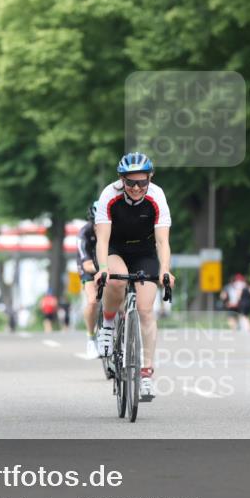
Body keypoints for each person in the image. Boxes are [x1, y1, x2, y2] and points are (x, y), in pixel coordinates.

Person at [94, 152, 173, 401]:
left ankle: (146, 373)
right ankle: (107, 324)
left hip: (144, 251)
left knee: (146, 310)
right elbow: (102, 239)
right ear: (121, 180)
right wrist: (103, 267)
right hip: (115, 248)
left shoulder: (157, 196)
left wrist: (165, 269)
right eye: (131, 183)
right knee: (116, 280)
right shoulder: (109, 195)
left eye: (142, 182)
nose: (137, 188)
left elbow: (162, 241)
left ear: (150, 178)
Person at [77, 201, 100, 358]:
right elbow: (87, 265)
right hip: (89, 266)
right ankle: (91, 338)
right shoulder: (84, 234)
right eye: (97, 223)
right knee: (92, 301)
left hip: (107, 264)